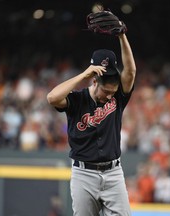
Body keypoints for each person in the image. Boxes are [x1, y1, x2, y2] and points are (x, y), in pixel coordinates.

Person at [47, 30, 136, 216]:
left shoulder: (118, 96)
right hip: (84, 174)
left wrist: (122, 36)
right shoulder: (77, 100)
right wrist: (83, 75)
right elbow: (52, 97)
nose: (110, 95)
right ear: (94, 81)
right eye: (106, 91)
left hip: (113, 173)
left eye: (113, 91)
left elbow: (131, 71)